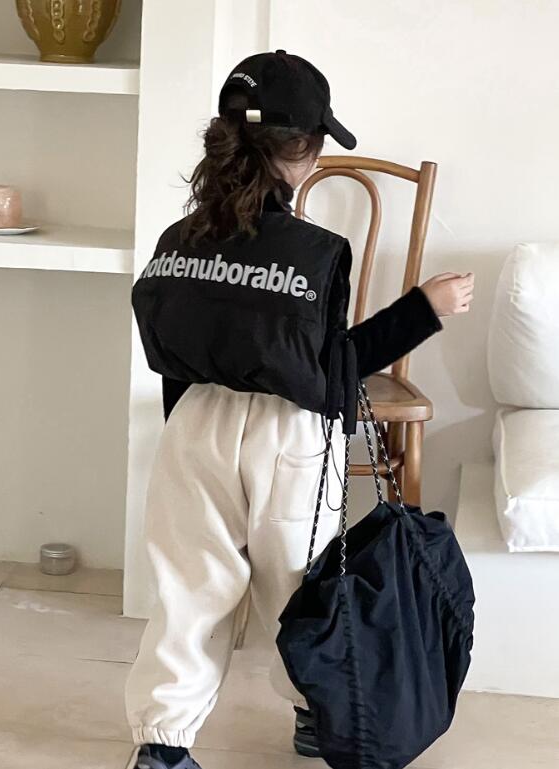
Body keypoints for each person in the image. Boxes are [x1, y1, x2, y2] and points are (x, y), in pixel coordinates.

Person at [125, 50, 475, 769]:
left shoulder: (176, 241)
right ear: (307, 152)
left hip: (193, 424)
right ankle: (318, 713)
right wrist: (423, 309)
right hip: (287, 434)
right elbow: (335, 369)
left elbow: (168, 359)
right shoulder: (318, 253)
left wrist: (187, 439)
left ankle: (162, 746)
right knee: (301, 588)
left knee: (189, 589)